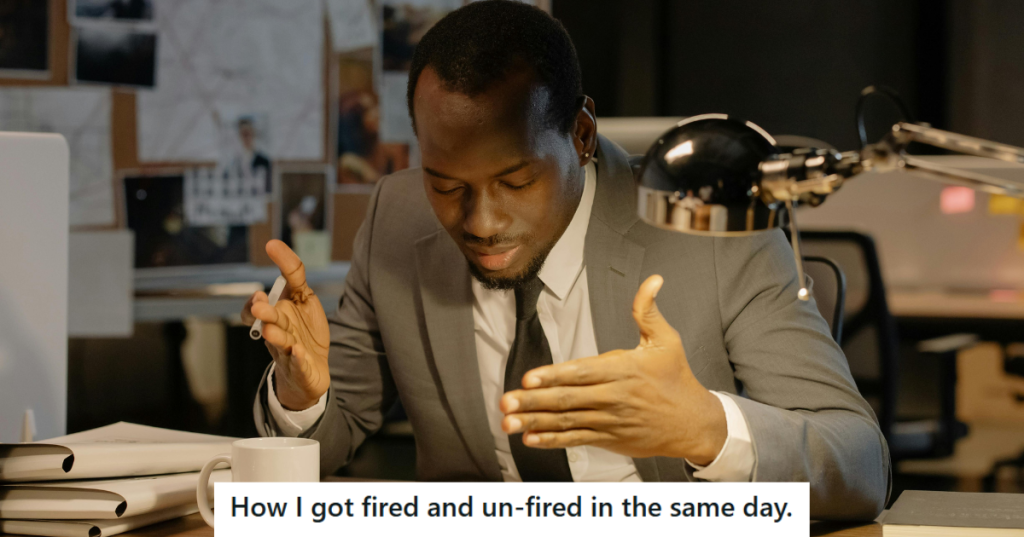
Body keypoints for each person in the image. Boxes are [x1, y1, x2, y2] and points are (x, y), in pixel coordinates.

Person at [242, 0, 888, 520]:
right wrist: (306, 396)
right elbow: (330, 441)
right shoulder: (398, 214)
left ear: (580, 135)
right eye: (446, 184)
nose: (482, 222)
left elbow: (860, 464)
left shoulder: (709, 226)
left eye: (517, 180)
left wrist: (706, 429)